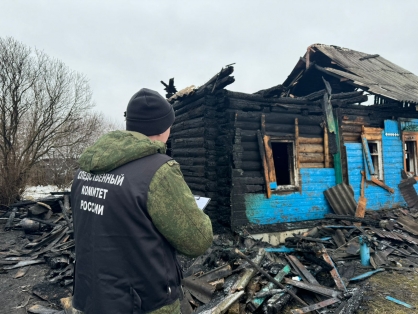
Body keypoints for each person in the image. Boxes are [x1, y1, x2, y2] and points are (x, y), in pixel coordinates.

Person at [70, 88, 213, 314]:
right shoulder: (158, 171)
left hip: (94, 297)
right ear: (165, 126)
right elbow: (197, 241)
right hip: (143, 302)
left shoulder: (85, 171)